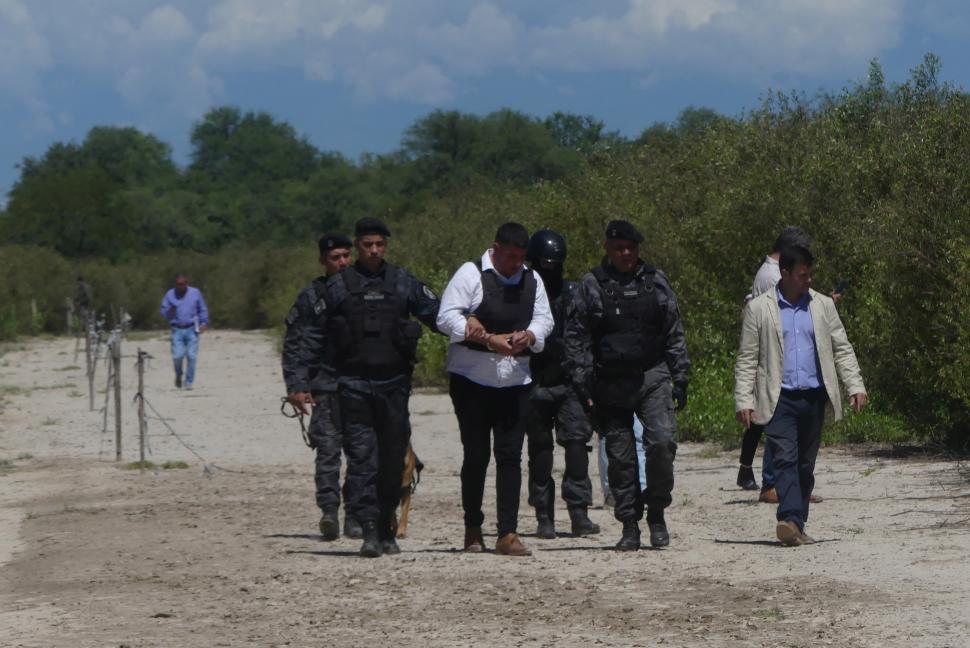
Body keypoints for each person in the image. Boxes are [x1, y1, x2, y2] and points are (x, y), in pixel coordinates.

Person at [564, 220, 690, 550]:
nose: (626, 254)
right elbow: (577, 340)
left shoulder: (655, 282)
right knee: (620, 459)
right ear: (607, 247)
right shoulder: (592, 285)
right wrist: (583, 387)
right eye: (619, 248)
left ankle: (657, 512)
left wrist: (681, 377)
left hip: (652, 374)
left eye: (631, 249)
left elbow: (674, 330)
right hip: (610, 382)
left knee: (661, 444)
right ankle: (629, 523)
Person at [322, 217, 440, 557]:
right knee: (362, 460)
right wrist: (304, 382)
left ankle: (387, 526)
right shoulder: (339, 286)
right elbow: (312, 333)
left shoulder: (402, 282)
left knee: (392, 460)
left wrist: (477, 332)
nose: (375, 251)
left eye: (380, 245)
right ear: (357, 246)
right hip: (353, 385)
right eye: (368, 245)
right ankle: (370, 530)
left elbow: (436, 314)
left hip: (394, 386)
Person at [734, 244, 867, 546]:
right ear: (785, 274)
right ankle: (790, 518)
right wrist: (744, 398)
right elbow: (747, 358)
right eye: (802, 275)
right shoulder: (760, 309)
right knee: (784, 458)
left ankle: (797, 523)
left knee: (805, 465)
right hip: (778, 398)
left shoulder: (822, 305)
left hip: (814, 397)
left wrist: (855, 385)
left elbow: (842, 348)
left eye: (810, 275)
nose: (808, 280)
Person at [437, 222, 554, 557]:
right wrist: (487, 338)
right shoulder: (470, 274)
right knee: (476, 455)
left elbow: (545, 320)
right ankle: (473, 529)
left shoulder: (532, 280)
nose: (516, 262)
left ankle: (508, 533)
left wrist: (529, 336)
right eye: (511, 256)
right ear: (495, 248)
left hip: (515, 381)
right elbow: (445, 318)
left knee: (510, 456)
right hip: (471, 380)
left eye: (521, 257)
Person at [281, 232, 359, 541]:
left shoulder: (364, 289)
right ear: (323, 261)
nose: (341, 262)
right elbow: (296, 344)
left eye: (345, 256)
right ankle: (329, 511)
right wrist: (296, 385)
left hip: (360, 384)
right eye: (335, 258)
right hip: (325, 385)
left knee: (361, 452)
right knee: (328, 452)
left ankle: (355, 513)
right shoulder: (311, 296)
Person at [523, 229, 600, 539]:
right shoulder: (522, 294)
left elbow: (590, 333)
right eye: (545, 263)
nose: (550, 269)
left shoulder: (575, 292)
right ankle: (544, 515)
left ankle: (578, 513)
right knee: (540, 451)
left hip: (570, 382)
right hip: (534, 381)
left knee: (577, 447)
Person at [736, 226, 811, 500]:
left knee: (777, 423)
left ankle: (783, 483)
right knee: (775, 420)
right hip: (773, 360)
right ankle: (773, 484)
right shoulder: (771, 276)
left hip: (776, 358)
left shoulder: (767, 272)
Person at [159, 274, 209, 390]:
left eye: (182, 284)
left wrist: (204, 323)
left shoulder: (195, 292)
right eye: (178, 284)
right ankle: (178, 374)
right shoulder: (170, 294)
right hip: (177, 329)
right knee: (177, 356)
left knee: (192, 356)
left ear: (187, 283)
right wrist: (170, 310)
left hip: (192, 328)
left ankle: (189, 382)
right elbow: (163, 312)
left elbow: (202, 308)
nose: (180, 287)